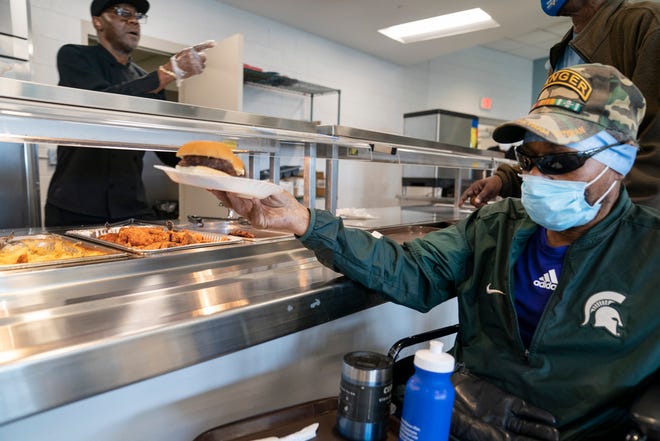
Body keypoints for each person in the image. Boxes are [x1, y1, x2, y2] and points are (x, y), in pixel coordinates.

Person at [211, 64, 659, 440]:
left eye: (560, 160)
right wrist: (305, 222)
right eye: (528, 159)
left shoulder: (650, 253)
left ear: (621, 159)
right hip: (466, 420)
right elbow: (412, 271)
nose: (539, 175)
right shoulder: (495, 225)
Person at [460, 0, 659, 209]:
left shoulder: (646, 23)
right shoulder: (564, 53)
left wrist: (630, 224)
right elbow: (558, 149)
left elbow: (654, 150)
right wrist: (508, 179)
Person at [45, 0, 214, 227]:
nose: (134, 20)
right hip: (76, 204)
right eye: (123, 13)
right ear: (98, 22)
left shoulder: (146, 78)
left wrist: (202, 164)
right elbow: (101, 103)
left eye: (138, 15)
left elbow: (161, 141)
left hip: (131, 207)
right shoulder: (74, 56)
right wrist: (167, 73)